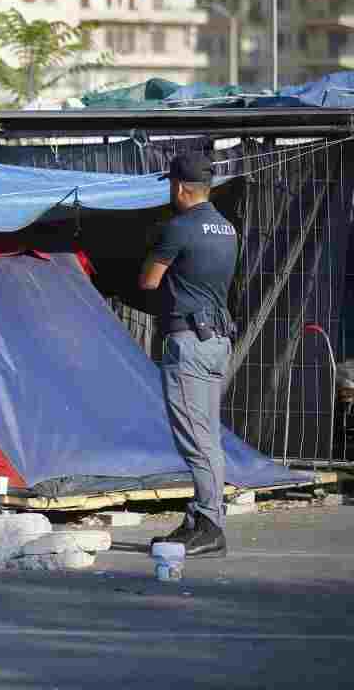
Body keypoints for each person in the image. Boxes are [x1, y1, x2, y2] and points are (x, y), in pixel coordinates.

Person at [139, 151, 238, 559]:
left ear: (179, 187)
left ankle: (211, 523)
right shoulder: (228, 229)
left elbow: (148, 281)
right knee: (208, 436)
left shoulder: (179, 228)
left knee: (198, 442)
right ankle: (200, 516)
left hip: (190, 344)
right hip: (217, 341)